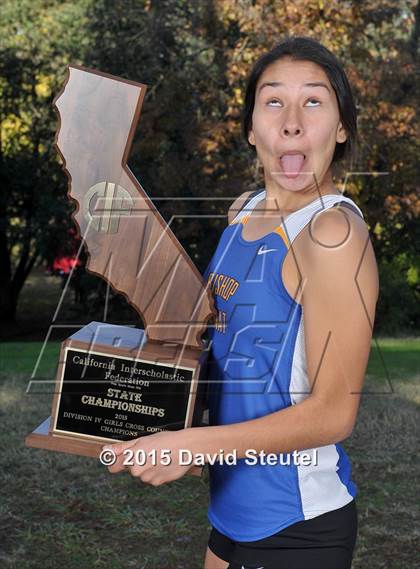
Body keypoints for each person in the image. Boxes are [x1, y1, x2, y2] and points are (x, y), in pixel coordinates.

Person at [105, 36, 379, 569]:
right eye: (274, 100)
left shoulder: (333, 234)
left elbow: (333, 413)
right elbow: (227, 357)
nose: (292, 121)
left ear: (341, 127)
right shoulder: (244, 211)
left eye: (314, 101)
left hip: (298, 523)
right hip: (230, 513)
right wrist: (173, 428)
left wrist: (192, 446)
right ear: (252, 127)